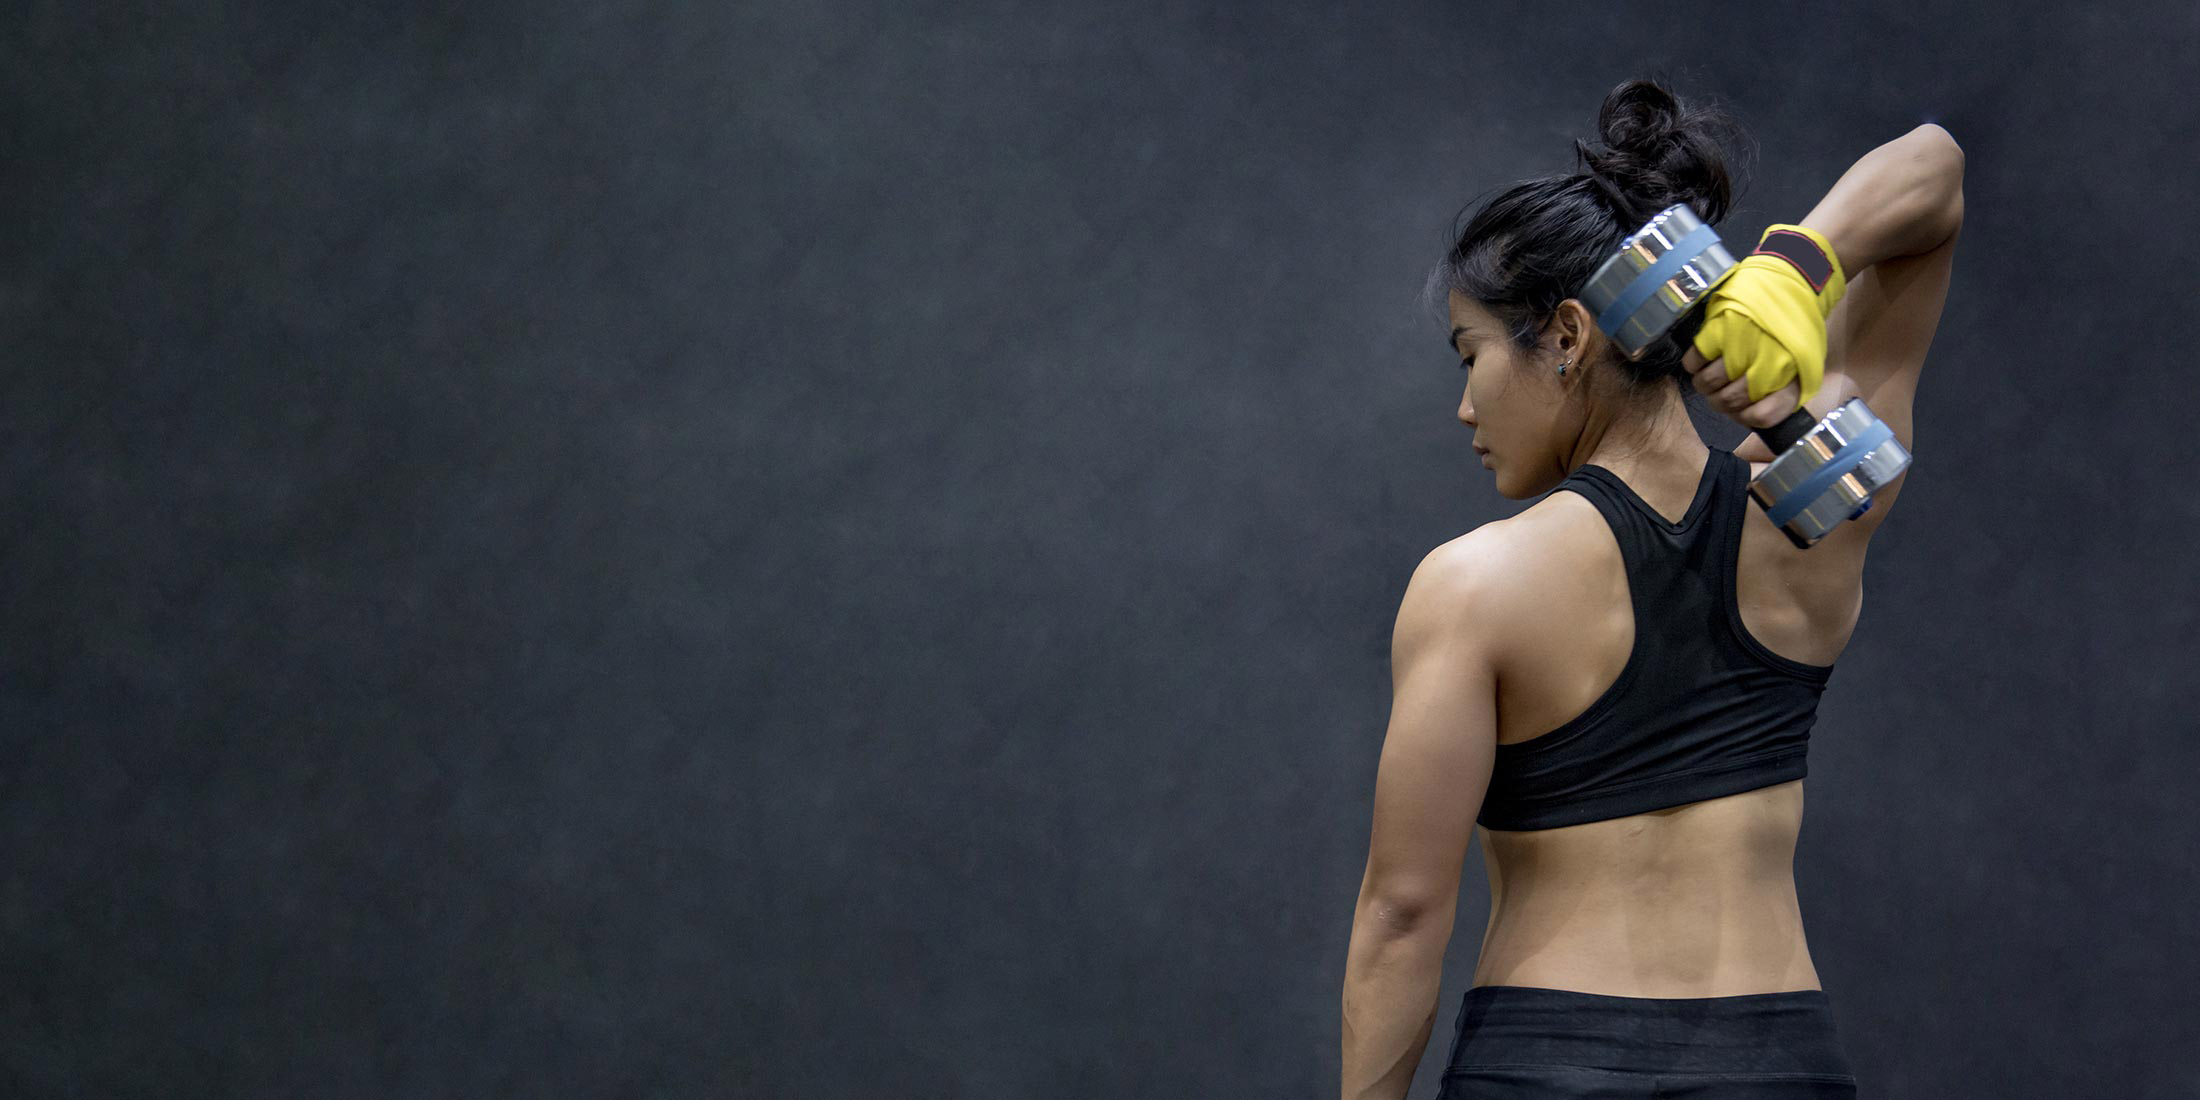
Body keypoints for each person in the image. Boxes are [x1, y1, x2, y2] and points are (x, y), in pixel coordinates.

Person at [1339, 77, 1965, 1100]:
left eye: (1471, 354)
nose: (1465, 407)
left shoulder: (1473, 585)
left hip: (1547, 1066)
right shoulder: (1813, 516)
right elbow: (1934, 172)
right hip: (1775, 1072)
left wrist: (1777, 281)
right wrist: (1802, 265)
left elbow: (1402, 914)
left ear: (1568, 335)